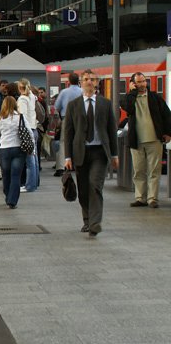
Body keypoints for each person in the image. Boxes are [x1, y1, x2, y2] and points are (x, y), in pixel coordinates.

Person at [63, 69, 118, 237]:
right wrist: (67, 157)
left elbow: (111, 130)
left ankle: (95, 223)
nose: (89, 82)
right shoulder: (74, 105)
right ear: (81, 82)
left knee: (95, 185)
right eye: (86, 79)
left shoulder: (105, 104)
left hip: (99, 153)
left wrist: (114, 155)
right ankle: (87, 220)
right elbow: (69, 133)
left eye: (93, 79)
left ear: (97, 83)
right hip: (80, 152)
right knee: (84, 189)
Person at [120, 72, 171, 208]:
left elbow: (166, 115)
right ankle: (140, 198)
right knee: (138, 170)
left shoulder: (155, 97)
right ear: (133, 84)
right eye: (139, 82)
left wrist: (167, 133)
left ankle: (152, 199)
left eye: (144, 81)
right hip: (136, 140)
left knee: (154, 170)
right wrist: (132, 92)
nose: (142, 84)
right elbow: (127, 108)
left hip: (154, 139)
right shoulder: (129, 98)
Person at [0, 95, 28, 209]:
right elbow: (28, 131)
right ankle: (12, 200)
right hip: (19, 149)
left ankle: (7, 196)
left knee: (6, 174)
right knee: (16, 175)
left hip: (4, 149)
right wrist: (33, 150)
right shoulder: (20, 117)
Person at [52, 72, 83, 175]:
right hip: (80, 119)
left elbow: (57, 106)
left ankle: (61, 167)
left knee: (64, 142)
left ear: (69, 81)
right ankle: (78, 164)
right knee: (79, 140)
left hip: (67, 118)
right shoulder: (82, 91)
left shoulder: (64, 92)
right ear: (78, 80)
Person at [17, 78, 40, 192]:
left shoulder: (22, 99)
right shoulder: (32, 97)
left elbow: (22, 116)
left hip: (27, 130)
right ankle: (35, 183)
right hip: (34, 129)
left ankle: (30, 186)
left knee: (29, 161)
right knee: (34, 159)